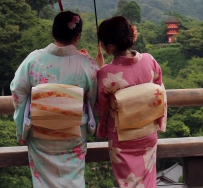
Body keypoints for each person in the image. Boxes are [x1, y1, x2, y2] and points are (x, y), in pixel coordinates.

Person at [10, 11, 97, 187]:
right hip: (73, 135)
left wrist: (22, 128)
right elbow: (95, 98)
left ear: (53, 32)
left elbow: (17, 92)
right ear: (77, 36)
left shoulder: (33, 60)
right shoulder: (86, 63)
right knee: (74, 180)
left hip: (41, 135)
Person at [95, 16, 167, 187]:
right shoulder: (149, 61)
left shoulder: (106, 73)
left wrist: (99, 69)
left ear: (110, 47)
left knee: (128, 183)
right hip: (148, 132)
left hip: (122, 137)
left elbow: (100, 108)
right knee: (148, 180)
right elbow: (159, 91)